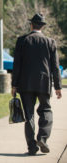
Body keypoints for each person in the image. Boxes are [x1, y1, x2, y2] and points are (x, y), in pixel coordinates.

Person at [11, 13, 62, 155]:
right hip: (43, 83)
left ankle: (31, 148)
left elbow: (17, 65)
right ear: (43, 26)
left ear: (31, 25)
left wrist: (14, 85)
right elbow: (55, 67)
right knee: (46, 111)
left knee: (29, 115)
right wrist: (57, 86)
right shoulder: (50, 42)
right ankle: (43, 138)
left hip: (25, 83)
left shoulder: (22, 40)